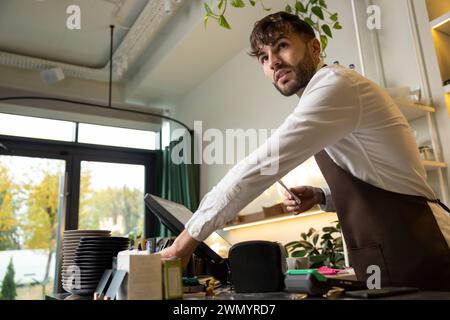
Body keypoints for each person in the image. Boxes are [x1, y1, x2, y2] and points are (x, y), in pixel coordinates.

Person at [161, 12, 450, 290]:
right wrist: (321, 196)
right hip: (386, 257)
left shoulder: (336, 85)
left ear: (314, 47)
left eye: (282, 47)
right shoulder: (322, 97)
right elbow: (379, 180)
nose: (273, 62)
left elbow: (260, 167)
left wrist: (184, 243)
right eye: (263, 57)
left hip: (420, 246)